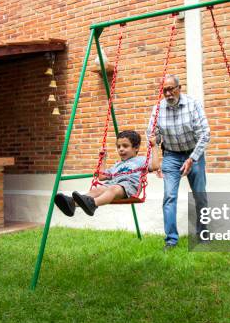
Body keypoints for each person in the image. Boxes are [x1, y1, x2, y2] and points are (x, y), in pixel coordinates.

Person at [148, 74, 210, 251]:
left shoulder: (193, 104)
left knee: (200, 195)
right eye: (164, 90)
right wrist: (154, 144)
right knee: (169, 196)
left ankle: (202, 233)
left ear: (179, 88)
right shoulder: (158, 109)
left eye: (171, 89)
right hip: (171, 156)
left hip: (193, 154)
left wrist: (192, 159)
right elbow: (153, 136)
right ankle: (171, 240)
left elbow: (205, 134)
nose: (168, 94)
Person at [54, 130, 160, 217]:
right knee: (98, 189)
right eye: (118, 147)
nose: (121, 149)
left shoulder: (141, 160)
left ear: (136, 148)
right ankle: (72, 203)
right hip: (112, 185)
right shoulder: (116, 165)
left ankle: (93, 204)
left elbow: (155, 166)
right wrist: (103, 159)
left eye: (125, 146)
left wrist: (154, 146)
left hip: (129, 188)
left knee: (113, 188)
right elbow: (102, 176)